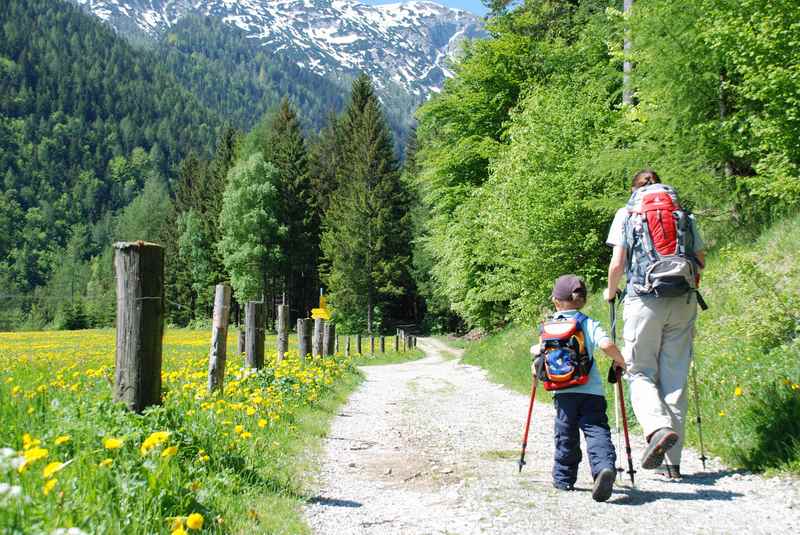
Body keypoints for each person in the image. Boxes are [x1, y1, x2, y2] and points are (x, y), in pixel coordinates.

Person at [603, 169, 706, 479]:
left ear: (634, 190)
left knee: (639, 371)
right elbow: (700, 257)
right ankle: (673, 465)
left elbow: (618, 262)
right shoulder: (682, 214)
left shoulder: (627, 212)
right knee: (675, 378)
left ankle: (657, 428)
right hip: (684, 299)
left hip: (643, 298)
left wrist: (610, 292)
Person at [531, 274, 626, 502]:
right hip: (590, 390)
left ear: (556, 300)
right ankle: (603, 467)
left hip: (562, 392)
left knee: (565, 435)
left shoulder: (548, 327)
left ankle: (563, 478)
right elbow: (606, 344)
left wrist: (536, 369)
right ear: (582, 300)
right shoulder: (587, 323)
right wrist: (620, 361)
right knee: (596, 430)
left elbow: (538, 353)